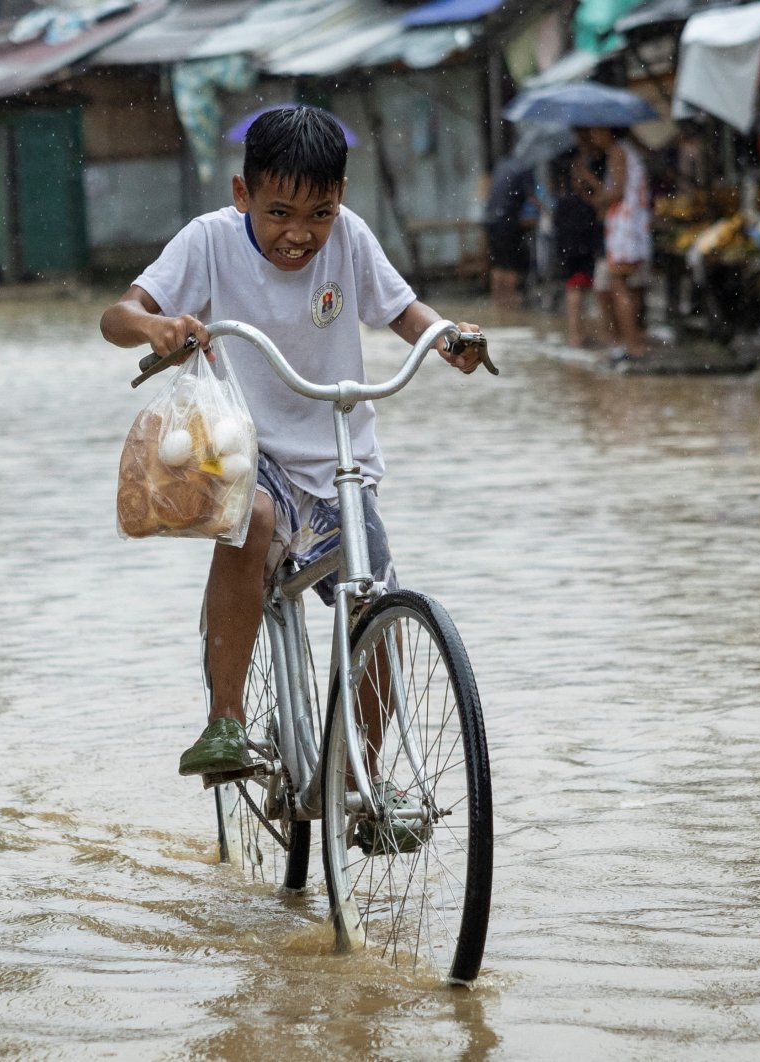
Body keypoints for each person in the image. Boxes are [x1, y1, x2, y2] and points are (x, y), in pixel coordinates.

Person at [99, 106, 484, 816]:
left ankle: (359, 782)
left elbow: (403, 310)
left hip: (342, 458)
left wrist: (448, 338)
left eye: (320, 212)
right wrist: (160, 325)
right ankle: (226, 721)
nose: (300, 233)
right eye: (279, 212)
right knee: (256, 521)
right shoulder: (209, 240)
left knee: (377, 607)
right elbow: (118, 316)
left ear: (341, 198)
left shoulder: (351, 239)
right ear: (243, 195)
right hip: (249, 450)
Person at [575, 126, 652, 362]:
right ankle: (631, 342)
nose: (594, 136)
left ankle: (631, 345)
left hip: (625, 228)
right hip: (630, 225)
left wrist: (589, 183)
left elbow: (616, 193)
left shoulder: (618, 152)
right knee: (622, 286)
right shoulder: (626, 151)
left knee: (619, 285)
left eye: (598, 132)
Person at [551, 137, 605, 348]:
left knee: (576, 286)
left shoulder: (562, 190)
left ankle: (578, 334)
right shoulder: (579, 182)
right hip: (578, 237)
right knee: (579, 286)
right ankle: (577, 336)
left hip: (569, 237)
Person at [483, 157, 541, 311]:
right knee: (511, 265)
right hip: (507, 222)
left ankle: (498, 304)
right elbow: (532, 197)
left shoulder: (503, 165)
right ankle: (510, 305)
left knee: (498, 264)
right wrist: (546, 209)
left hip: (491, 220)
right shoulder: (525, 167)